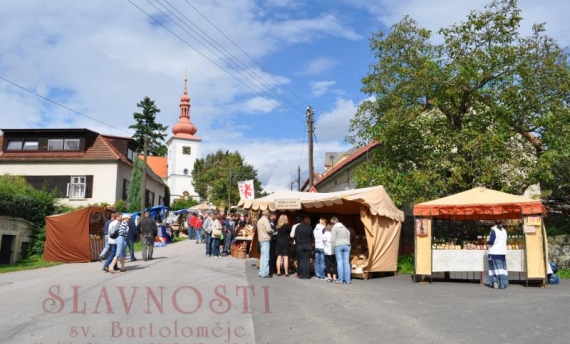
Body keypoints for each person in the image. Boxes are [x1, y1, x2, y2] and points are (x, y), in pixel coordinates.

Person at [487, 220, 508, 289]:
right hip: (502, 252)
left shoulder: (494, 230)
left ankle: (496, 282)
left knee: (494, 268)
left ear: (494, 223)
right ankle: (504, 283)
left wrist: (487, 241)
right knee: (502, 269)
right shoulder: (504, 231)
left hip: (494, 252)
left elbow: (492, 242)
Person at [331, 217, 351, 284]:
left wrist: (332, 248)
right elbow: (348, 234)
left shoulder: (334, 228)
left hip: (338, 245)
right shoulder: (344, 227)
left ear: (333, 223)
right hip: (346, 244)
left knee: (340, 263)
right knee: (346, 263)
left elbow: (333, 239)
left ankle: (341, 280)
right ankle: (348, 280)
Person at [257, 209, 274, 278]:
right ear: (267, 214)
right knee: (266, 257)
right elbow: (268, 229)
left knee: (262, 257)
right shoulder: (266, 220)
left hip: (261, 239)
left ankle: (261, 272)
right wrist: (272, 231)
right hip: (265, 239)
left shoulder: (259, 220)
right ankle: (265, 273)